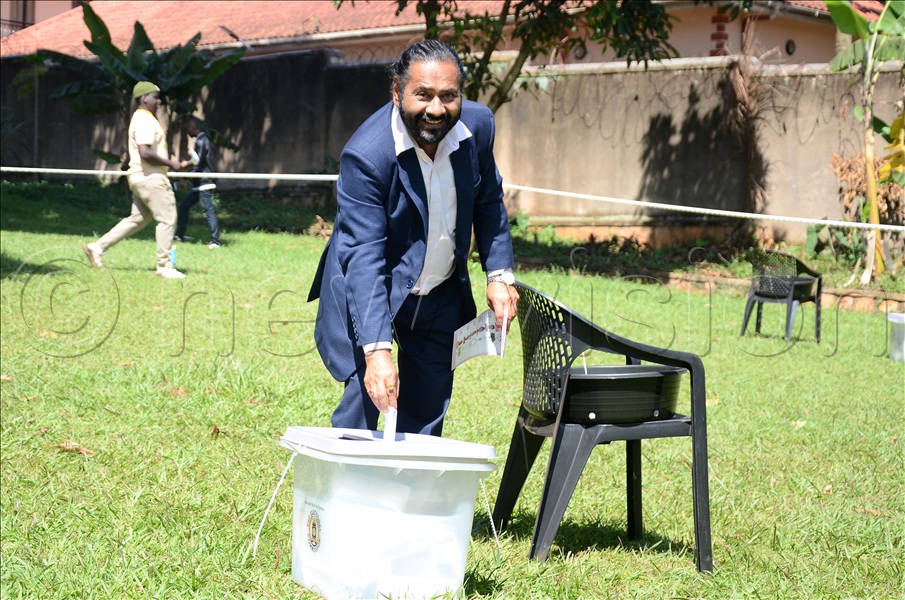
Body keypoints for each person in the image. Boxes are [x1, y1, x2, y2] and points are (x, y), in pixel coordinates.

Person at [307, 40, 519, 436]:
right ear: (396, 92)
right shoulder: (367, 156)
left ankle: (411, 496)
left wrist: (499, 274)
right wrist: (378, 350)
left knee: (428, 405)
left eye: (448, 96)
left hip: (439, 292)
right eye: (422, 94)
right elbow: (365, 255)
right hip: (372, 289)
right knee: (366, 398)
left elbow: (489, 199)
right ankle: (348, 492)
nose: (436, 109)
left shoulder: (478, 128)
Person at [83, 81, 189, 279]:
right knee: (167, 219)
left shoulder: (141, 119)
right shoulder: (145, 120)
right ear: (144, 98)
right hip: (151, 178)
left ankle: (97, 247)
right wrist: (172, 164)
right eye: (155, 97)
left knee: (138, 219)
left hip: (140, 178)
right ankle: (164, 266)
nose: (159, 101)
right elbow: (146, 152)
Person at [175, 116, 221, 249]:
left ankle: (215, 241)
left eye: (187, 129)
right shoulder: (202, 140)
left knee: (208, 211)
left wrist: (184, 176)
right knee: (184, 206)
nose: (187, 132)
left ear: (194, 128)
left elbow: (197, 164)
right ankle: (180, 235)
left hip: (204, 183)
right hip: (198, 185)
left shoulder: (201, 141)